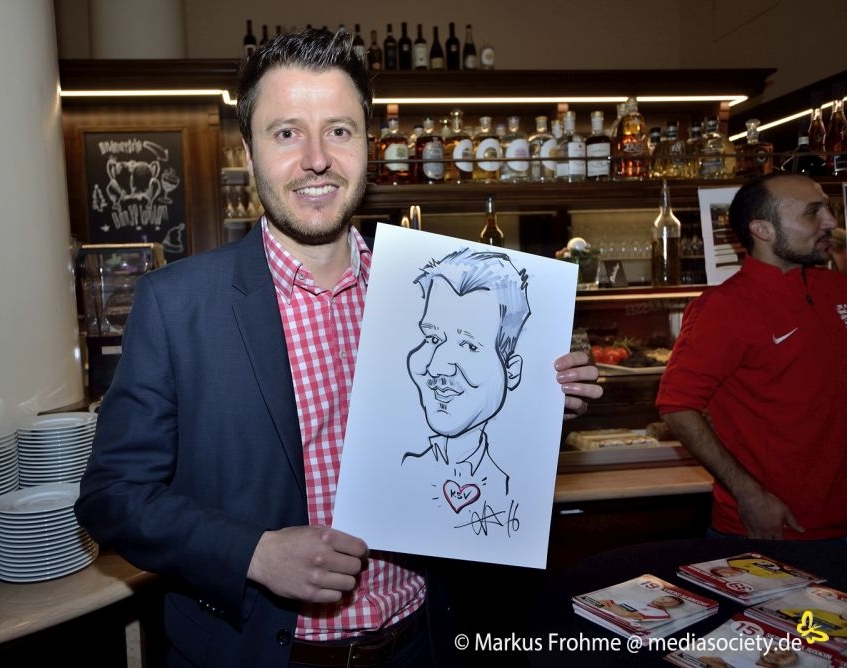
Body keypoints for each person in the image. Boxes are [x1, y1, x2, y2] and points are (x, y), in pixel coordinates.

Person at [75, 27, 603, 667]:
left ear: (367, 145)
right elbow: (112, 497)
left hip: (422, 644)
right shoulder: (177, 305)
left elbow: (470, 450)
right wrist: (253, 553)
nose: (317, 158)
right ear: (248, 151)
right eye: (286, 133)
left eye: (340, 131)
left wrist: (538, 405)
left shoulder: (424, 294)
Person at [656, 172, 847, 541]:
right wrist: (748, 492)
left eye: (829, 208)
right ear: (763, 230)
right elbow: (676, 406)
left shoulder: (838, 288)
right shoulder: (725, 307)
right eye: (813, 212)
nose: (831, 222)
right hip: (776, 531)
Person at [401, 248, 530, 530]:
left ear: (511, 371)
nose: (438, 366)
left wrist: (551, 399)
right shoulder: (399, 470)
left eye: (469, 346)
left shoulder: (512, 486)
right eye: (432, 338)